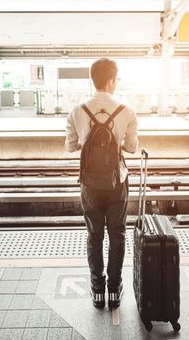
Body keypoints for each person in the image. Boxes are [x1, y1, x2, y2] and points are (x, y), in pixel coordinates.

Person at [65, 58, 138, 309]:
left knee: (94, 236)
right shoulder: (126, 111)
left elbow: (70, 146)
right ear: (111, 80)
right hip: (117, 183)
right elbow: (131, 147)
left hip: (90, 185)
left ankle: (97, 290)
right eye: (116, 79)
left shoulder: (77, 111)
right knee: (117, 236)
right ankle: (114, 290)